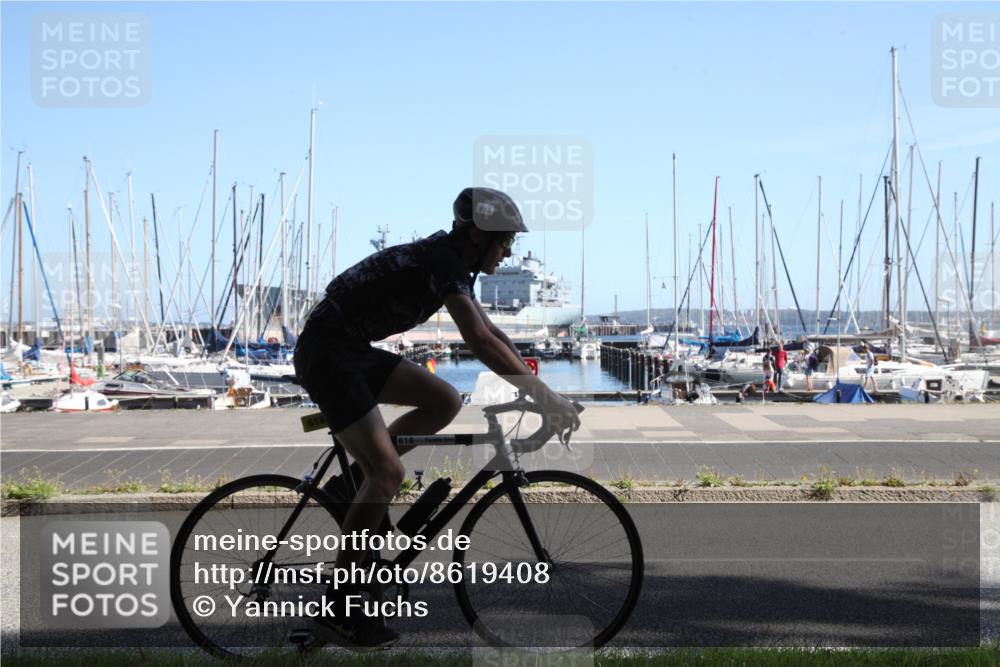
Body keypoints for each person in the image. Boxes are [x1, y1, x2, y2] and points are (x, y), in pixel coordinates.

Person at [292, 187, 581, 648]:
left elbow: (490, 331)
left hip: (350, 349)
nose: (508, 250)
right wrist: (543, 398)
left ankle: (353, 487)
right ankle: (341, 609)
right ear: (478, 235)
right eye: (504, 240)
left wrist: (536, 385)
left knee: (445, 400)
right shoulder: (445, 261)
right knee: (388, 473)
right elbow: (479, 342)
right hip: (328, 353)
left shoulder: (454, 264)